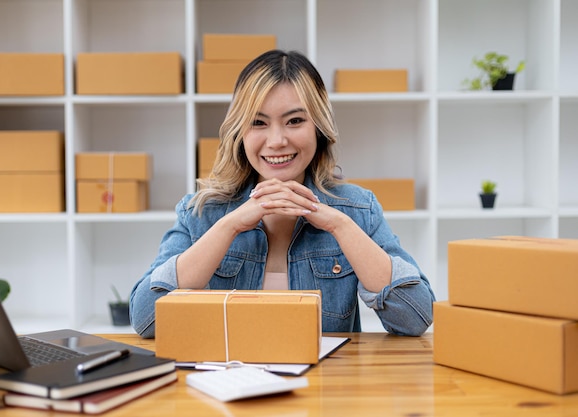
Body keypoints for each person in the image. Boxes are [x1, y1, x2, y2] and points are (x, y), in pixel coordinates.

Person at [130, 50, 435, 338]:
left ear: (318, 128)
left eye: (294, 121)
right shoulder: (201, 211)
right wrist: (229, 226)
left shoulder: (357, 209)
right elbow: (146, 319)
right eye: (258, 123)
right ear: (240, 132)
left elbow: (416, 317)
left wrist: (338, 225)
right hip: (230, 386)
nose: (276, 141)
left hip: (325, 389)